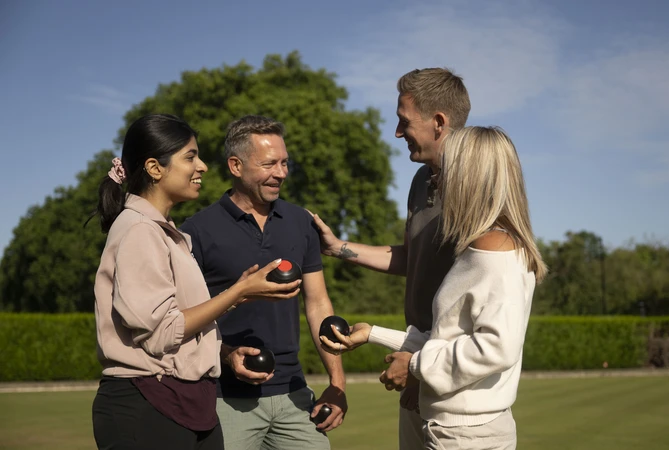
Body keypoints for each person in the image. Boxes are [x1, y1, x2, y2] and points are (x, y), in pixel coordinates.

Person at [321, 126, 548, 450]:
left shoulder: (496, 252)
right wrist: (372, 333)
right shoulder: (478, 247)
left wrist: (415, 367)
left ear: (471, 177)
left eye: (446, 169)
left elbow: (497, 348)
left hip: (467, 437)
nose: (437, 180)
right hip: (451, 431)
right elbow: (449, 339)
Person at [90, 114, 301, 450]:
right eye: (190, 157)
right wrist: (239, 290)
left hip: (184, 401)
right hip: (148, 403)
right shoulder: (139, 230)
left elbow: (181, 322)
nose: (202, 166)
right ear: (155, 168)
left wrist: (238, 297)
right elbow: (161, 335)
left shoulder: (167, 233)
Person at [311, 67, 470, 449]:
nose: (397, 133)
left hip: (450, 372)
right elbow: (411, 259)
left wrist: (422, 371)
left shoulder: (475, 186)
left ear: (439, 122)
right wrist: (338, 248)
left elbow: (476, 296)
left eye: (404, 122)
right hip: (413, 353)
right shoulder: (420, 181)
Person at [180, 115, 347, 450]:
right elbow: (184, 318)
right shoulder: (196, 230)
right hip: (224, 399)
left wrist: (337, 382)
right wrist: (226, 355)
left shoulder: (301, 221)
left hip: (296, 397)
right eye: (270, 164)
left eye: (285, 163)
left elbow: (317, 304)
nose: (281, 173)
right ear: (235, 165)